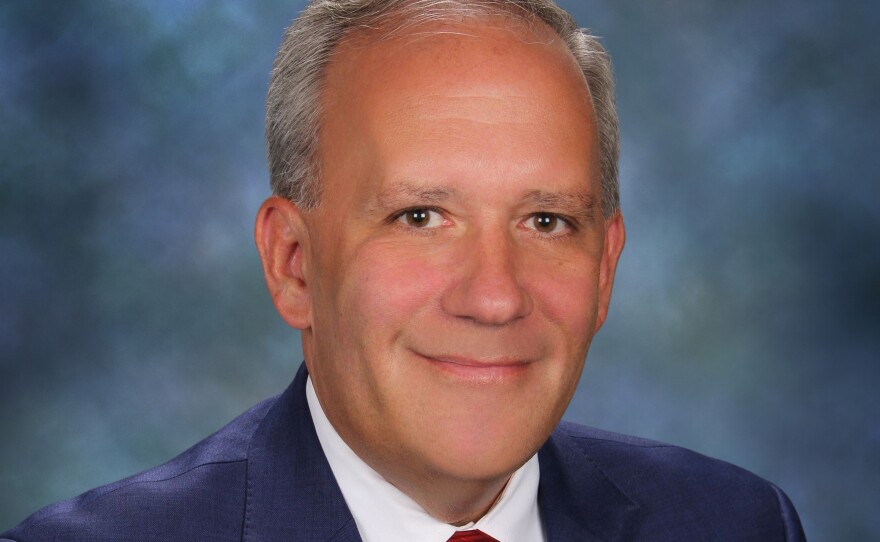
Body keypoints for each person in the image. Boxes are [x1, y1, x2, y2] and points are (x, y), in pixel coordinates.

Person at [2, 1, 806, 541]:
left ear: (605, 270)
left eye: (546, 221)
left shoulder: (734, 522)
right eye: (419, 217)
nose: (494, 296)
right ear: (293, 265)